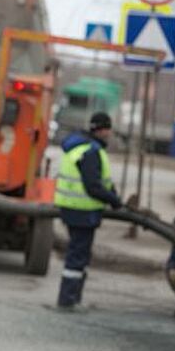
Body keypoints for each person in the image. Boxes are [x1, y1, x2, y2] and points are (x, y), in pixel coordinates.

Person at [54, 112, 122, 310]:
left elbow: (100, 181)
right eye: (108, 129)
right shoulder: (91, 151)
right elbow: (93, 185)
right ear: (102, 129)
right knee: (78, 256)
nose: (109, 133)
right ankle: (68, 300)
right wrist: (115, 201)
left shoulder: (80, 147)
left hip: (73, 209)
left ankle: (72, 298)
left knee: (78, 254)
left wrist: (112, 194)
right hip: (83, 212)